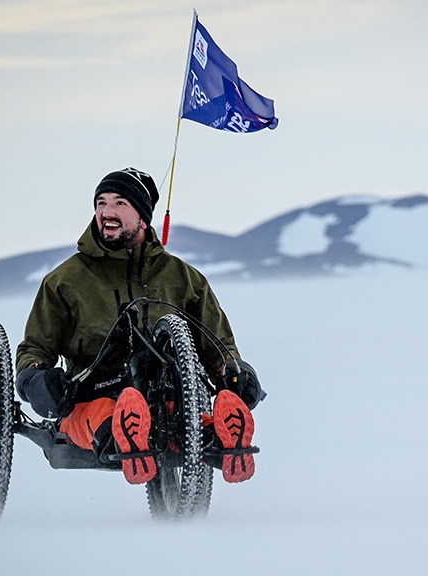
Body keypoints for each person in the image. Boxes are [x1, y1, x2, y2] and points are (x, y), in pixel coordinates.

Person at [14, 167, 264, 484]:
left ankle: (223, 437)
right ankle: (124, 436)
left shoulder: (183, 278)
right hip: (92, 392)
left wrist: (235, 371)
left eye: (120, 203)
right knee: (99, 415)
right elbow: (35, 346)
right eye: (101, 203)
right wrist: (35, 378)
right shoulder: (65, 280)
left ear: (142, 217)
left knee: (180, 419)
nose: (107, 212)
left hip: (164, 396)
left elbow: (216, 343)